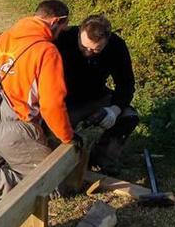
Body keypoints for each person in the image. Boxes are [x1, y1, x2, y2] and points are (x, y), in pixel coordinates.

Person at [0, 0, 77, 206]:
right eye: (62, 28)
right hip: (15, 133)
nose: (61, 34)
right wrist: (67, 137)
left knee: (6, 161)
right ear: (56, 21)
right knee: (54, 185)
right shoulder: (46, 51)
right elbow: (52, 104)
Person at [55, 14, 138, 170]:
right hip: (65, 100)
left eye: (96, 50)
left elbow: (126, 84)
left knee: (129, 116)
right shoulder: (63, 39)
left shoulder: (117, 46)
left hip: (96, 96)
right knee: (56, 133)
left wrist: (115, 109)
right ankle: (61, 166)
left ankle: (100, 162)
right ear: (80, 32)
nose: (88, 52)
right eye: (84, 47)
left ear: (107, 41)